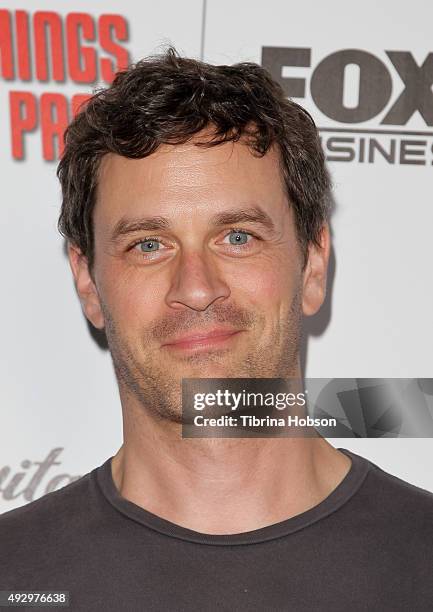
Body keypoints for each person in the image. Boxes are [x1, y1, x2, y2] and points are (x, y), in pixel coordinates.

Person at [0, 47, 432, 611]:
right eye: (148, 245)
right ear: (88, 283)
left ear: (314, 263)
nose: (197, 287)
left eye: (238, 236)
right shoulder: (13, 571)